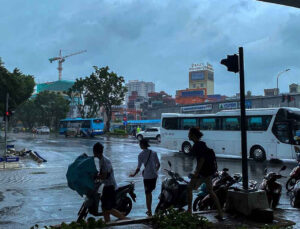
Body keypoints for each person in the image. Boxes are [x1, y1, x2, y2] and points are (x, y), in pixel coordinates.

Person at [187, 127, 224, 220]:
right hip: (209, 172)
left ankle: (189, 211)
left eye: (189, 134)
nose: (188, 135)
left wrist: (196, 173)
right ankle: (220, 213)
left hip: (203, 173)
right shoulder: (202, 144)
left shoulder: (197, 146)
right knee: (210, 191)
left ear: (193, 135)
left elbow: (201, 160)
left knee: (189, 188)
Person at [93, 142, 127, 222]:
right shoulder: (101, 160)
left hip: (110, 187)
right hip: (107, 186)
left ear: (96, 151)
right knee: (104, 207)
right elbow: (102, 174)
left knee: (108, 208)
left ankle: (125, 219)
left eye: (94, 151)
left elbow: (105, 176)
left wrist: (96, 176)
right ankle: (108, 223)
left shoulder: (105, 161)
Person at [130, 139, 160, 216]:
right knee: (150, 192)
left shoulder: (140, 155)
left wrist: (133, 174)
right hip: (154, 176)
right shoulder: (154, 153)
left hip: (147, 177)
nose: (139, 145)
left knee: (147, 194)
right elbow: (158, 164)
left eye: (140, 144)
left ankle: (149, 211)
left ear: (142, 145)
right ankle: (150, 210)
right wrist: (155, 171)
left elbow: (138, 168)